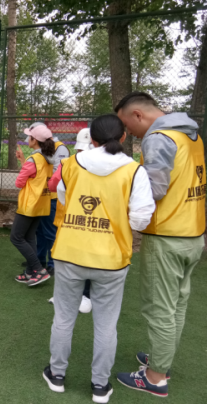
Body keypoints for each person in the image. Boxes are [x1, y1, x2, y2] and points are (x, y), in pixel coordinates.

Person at [42, 114, 155, 403]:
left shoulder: (71, 164)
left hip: (70, 252)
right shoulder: (134, 170)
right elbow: (141, 219)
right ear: (123, 137)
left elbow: (63, 199)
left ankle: (57, 375)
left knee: (63, 318)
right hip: (111, 258)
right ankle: (100, 386)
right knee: (106, 325)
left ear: (91, 139)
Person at [115, 92, 205, 397]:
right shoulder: (191, 135)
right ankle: (161, 361)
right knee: (176, 305)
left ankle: (154, 378)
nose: (129, 133)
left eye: (127, 125)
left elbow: (155, 189)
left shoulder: (158, 138)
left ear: (138, 115)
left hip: (167, 236)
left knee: (160, 309)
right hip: (193, 234)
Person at [47, 127, 94, 313]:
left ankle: (83, 295)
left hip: (77, 219)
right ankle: (78, 295)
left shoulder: (68, 162)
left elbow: (53, 185)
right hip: (77, 219)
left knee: (75, 257)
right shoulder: (69, 163)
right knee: (74, 257)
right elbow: (54, 185)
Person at [11, 124, 55, 287]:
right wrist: (23, 160)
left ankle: (38, 269)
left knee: (16, 237)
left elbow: (19, 182)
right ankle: (31, 271)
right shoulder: (47, 159)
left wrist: (24, 163)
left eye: (29, 136)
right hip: (41, 204)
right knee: (29, 237)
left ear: (34, 140)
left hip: (29, 205)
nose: (27, 139)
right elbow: (36, 176)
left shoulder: (33, 159)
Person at [31, 122, 70, 274]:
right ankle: (39, 260)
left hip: (52, 196)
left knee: (50, 232)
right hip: (41, 196)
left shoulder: (60, 148)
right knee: (39, 231)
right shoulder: (39, 150)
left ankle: (53, 264)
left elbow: (58, 173)